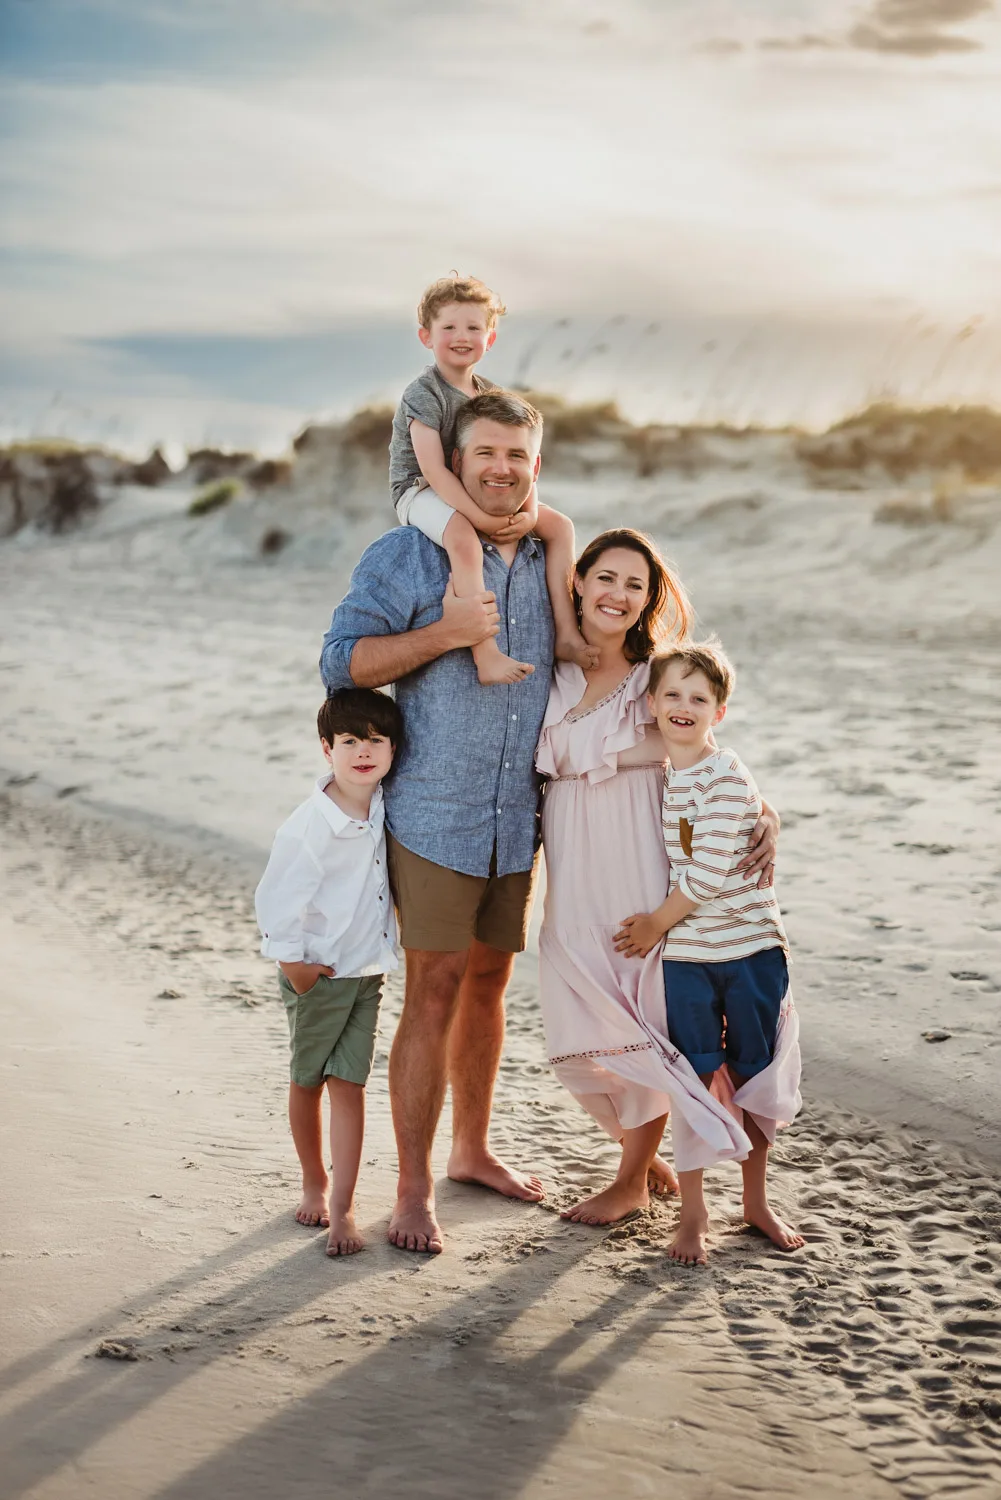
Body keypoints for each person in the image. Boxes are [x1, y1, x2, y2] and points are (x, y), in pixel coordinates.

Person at [321, 389, 554, 1254]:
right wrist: (446, 634)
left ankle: (471, 1151)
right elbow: (339, 661)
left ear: (535, 464)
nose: (500, 469)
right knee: (434, 990)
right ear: (452, 462)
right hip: (434, 815)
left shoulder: (549, 556)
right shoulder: (408, 555)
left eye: (516, 456)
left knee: (490, 982)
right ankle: (411, 1189)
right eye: (484, 453)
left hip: (516, 818)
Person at [536, 529, 782, 1231]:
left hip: (641, 856)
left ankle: (629, 1180)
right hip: (573, 857)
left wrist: (766, 811)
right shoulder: (545, 667)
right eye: (605, 578)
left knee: (642, 1018)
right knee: (576, 1027)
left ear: (648, 601)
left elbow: (708, 748)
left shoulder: (654, 671)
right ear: (577, 581)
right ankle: (638, 1155)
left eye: (635, 585)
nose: (618, 595)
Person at [614, 641, 803, 1265]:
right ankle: (693, 1213)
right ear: (652, 703)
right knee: (693, 1080)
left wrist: (651, 926)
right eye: (672, 694)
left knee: (751, 1075)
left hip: (749, 954)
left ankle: (754, 1201)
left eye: (699, 698)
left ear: (719, 712)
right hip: (688, 958)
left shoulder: (726, 775)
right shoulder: (666, 776)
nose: (684, 706)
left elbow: (710, 872)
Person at [390, 275, 595, 685]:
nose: (461, 336)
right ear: (425, 336)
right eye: (448, 327)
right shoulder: (423, 393)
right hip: (418, 491)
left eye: (473, 327)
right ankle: (485, 653)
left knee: (560, 527)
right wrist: (480, 520)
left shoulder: (490, 393)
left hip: (466, 485)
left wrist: (530, 510)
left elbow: (520, 453)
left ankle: (567, 635)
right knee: (464, 539)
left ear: (491, 338)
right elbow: (433, 471)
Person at [254, 688, 402, 1257]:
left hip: (367, 973)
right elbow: (277, 899)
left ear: (392, 749)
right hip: (317, 973)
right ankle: (314, 1182)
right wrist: (297, 968)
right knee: (308, 1079)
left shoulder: (385, 802)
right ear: (326, 749)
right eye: (348, 741)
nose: (362, 752)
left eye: (374, 740)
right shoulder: (310, 825)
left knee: (351, 1086)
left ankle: (343, 1207)